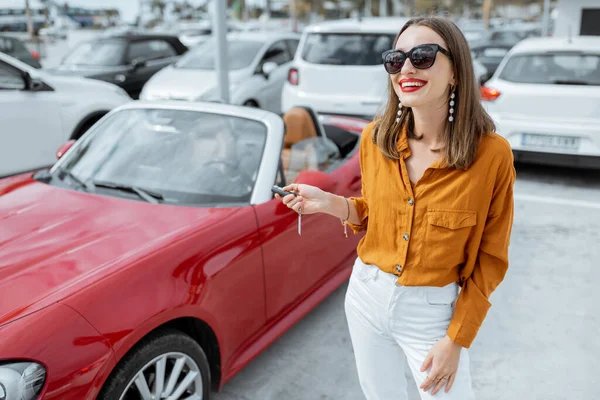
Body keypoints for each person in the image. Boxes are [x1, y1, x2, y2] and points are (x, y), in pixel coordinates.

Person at [276, 16, 515, 400]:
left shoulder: (491, 155)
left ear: (456, 72)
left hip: (434, 312)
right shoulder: (376, 138)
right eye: (395, 59)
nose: (405, 68)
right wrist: (328, 203)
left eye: (422, 56)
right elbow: (376, 214)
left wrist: (456, 340)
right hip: (367, 295)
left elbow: (491, 258)